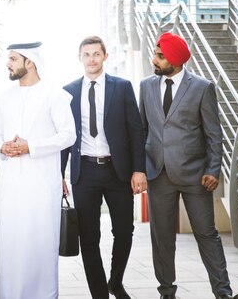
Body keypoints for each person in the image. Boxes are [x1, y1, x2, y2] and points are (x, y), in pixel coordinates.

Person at [139, 32, 238, 299]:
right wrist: (139, 168)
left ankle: (223, 294)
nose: (155, 59)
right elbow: (142, 129)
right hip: (158, 173)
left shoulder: (202, 87)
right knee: (162, 238)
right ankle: (167, 293)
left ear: (174, 59)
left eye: (160, 56)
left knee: (207, 234)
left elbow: (214, 133)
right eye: (156, 53)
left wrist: (213, 169)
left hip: (195, 175)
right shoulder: (146, 86)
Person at [0, 41, 76, 299]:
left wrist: (31, 147)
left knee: (40, 245)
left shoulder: (54, 95)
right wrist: (2, 147)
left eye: (13, 59)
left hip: (41, 187)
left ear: (30, 62)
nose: (8, 64)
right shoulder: (5, 98)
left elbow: (68, 135)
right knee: (11, 245)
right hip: (11, 186)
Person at [61, 36, 146, 299]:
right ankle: (99, 293)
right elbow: (64, 137)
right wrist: (58, 174)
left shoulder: (122, 88)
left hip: (117, 171)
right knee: (88, 237)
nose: (92, 59)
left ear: (105, 56)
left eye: (96, 54)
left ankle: (115, 281)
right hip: (83, 173)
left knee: (123, 231)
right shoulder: (68, 92)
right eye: (86, 54)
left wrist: (139, 170)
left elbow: (136, 130)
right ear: (80, 58)